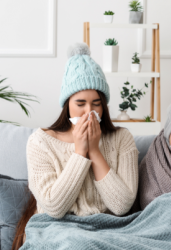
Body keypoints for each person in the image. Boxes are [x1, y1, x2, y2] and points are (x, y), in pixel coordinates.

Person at [12, 43, 139, 249]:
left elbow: (122, 205)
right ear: (67, 104)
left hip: (108, 231)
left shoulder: (122, 139)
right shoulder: (40, 142)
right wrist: (80, 152)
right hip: (56, 230)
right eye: (80, 104)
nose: (89, 111)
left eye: (96, 103)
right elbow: (54, 207)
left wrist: (95, 150)